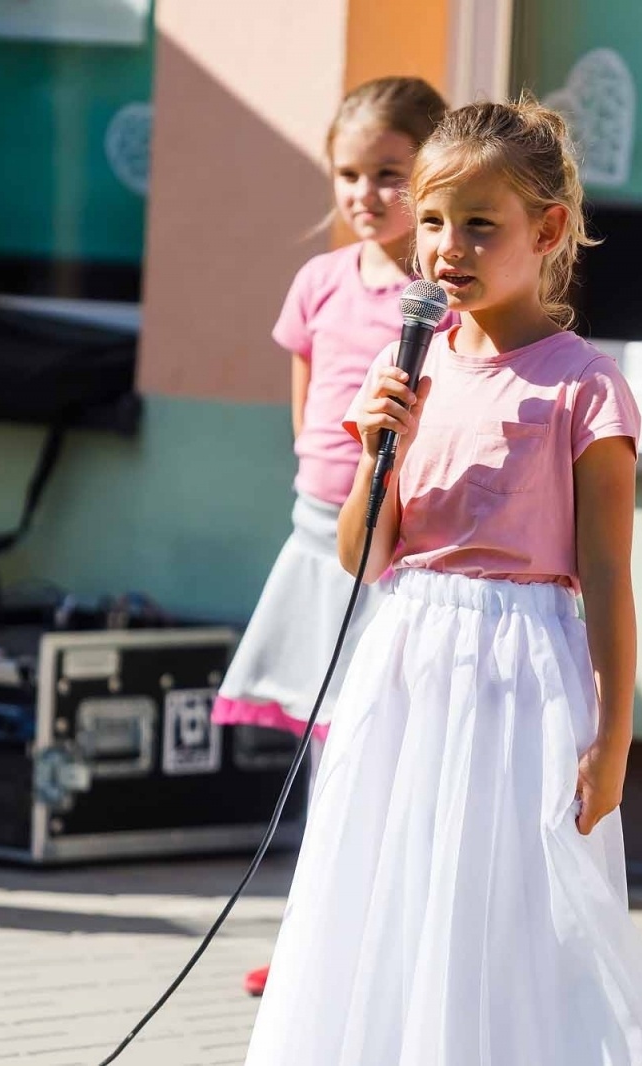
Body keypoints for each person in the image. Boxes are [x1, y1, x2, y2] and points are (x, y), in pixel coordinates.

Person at [241, 98, 642, 1066]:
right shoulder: (414, 366)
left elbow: (607, 571)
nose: (449, 247)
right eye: (435, 221)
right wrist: (375, 451)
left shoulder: (582, 385)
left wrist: (612, 732)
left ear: (548, 230)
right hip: (404, 656)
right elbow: (365, 553)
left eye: (482, 224)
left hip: (520, 666)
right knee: (389, 880)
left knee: (507, 892)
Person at [211, 76, 450, 998]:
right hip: (318, 533)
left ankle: (381, 942)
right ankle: (318, 937)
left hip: (393, 551)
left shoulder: (442, 299)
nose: (365, 194)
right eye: (349, 173)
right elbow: (309, 411)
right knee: (325, 746)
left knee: (379, 741)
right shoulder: (319, 281)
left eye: (389, 173)